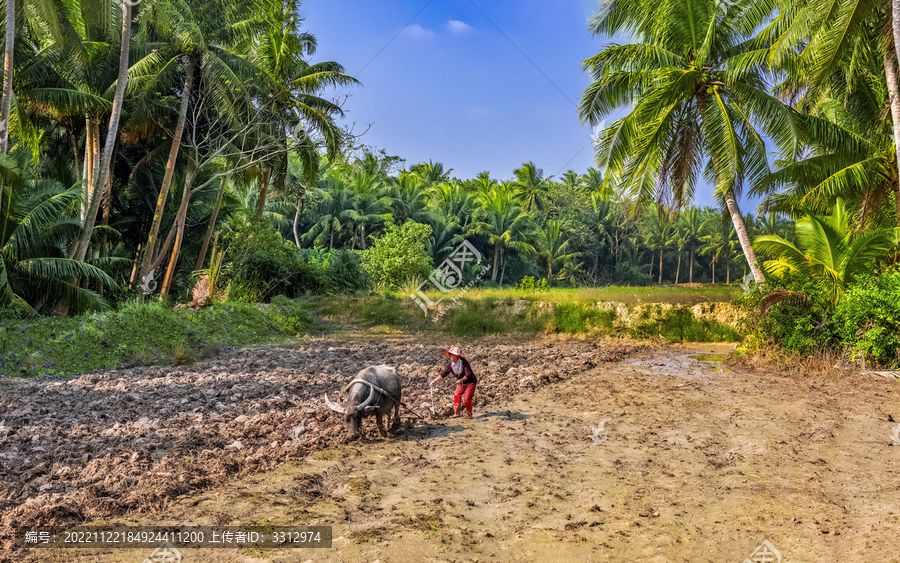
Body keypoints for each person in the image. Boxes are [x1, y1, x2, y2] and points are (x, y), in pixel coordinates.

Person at [432, 346, 477, 419]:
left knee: (467, 399)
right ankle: (457, 413)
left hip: (470, 382)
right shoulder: (450, 364)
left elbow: (468, 374)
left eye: (451, 355)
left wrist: (461, 380)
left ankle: (469, 414)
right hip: (461, 382)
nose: (450, 356)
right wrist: (434, 380)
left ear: (456, 356)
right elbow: (444, 373)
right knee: (457, 395)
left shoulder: (464, 362)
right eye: (449, 354)